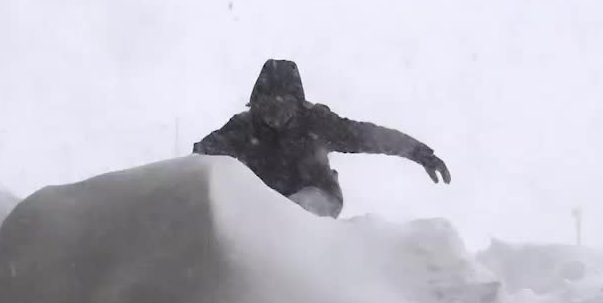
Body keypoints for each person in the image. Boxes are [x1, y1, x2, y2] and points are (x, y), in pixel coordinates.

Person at [192, 58, 450, 218]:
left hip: (318, 196)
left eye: (284, 105)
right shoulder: (242, 128)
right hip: (265, 205)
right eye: (268, 105)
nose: (275, 115)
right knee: (256, 215)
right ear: (256, 104)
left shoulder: (316, 123)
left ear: (297, 104)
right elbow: (199, 157)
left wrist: (419, 152)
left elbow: (368, 136)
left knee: (297, 209)